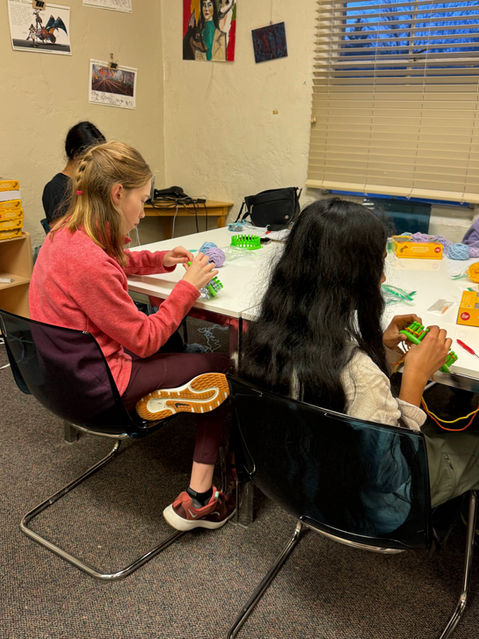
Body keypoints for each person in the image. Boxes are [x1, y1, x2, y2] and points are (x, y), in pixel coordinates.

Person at [30, 140, 235, 532]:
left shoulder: (64, 236)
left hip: (60, 380)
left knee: (183, 350)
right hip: (101, 389)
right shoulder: (91, 262)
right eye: (141, 201)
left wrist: (159, 259)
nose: (142, 213)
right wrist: (187, 288)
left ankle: (175, 383)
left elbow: (113, 260)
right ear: (117, 194)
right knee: (222, 366)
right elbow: (144, 339)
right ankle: (200, 499)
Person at [240, 197, 479, 532]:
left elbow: (345, 396)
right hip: (372, 507)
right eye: (378, 266)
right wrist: (414, 377)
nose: (382, 278)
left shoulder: (266, 340)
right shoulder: (359, 373)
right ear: (352, 279)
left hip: (300, 484)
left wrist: (384, 353)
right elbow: (393, 473)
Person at [42, 121, 105, 226]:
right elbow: (60, 233)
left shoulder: (91, 183)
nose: (96, 162)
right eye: (91, 157)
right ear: (75, 154)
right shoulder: (55, 189)